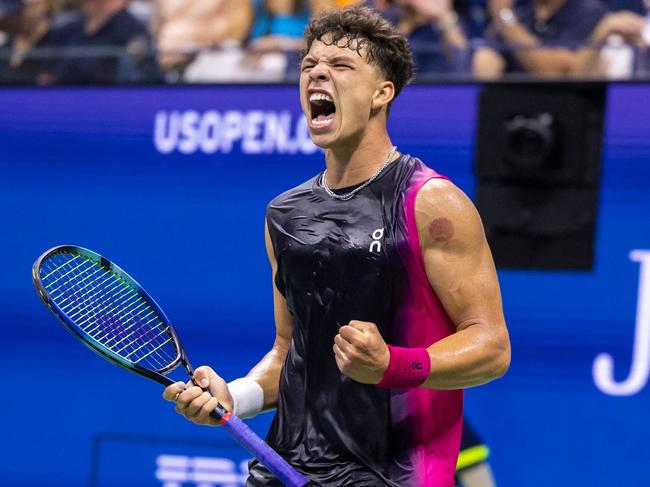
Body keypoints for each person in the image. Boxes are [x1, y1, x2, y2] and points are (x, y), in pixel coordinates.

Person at [164, 6, 510, 486]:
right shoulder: (284, 215)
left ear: (381, 93)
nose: (317, 73)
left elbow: (492, 348)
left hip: (393, 474)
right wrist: (234, 396)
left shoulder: (430, 203)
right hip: (287, 469)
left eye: (341, 66)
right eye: (309, 66)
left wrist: (394, 364)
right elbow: (290, 353)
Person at [473, 0, 609, 78]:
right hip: (514, 105)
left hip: (565, 107)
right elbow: (491, 54)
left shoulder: (588, 11)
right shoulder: (522, 10)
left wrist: (505, 18)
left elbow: (562, 72)